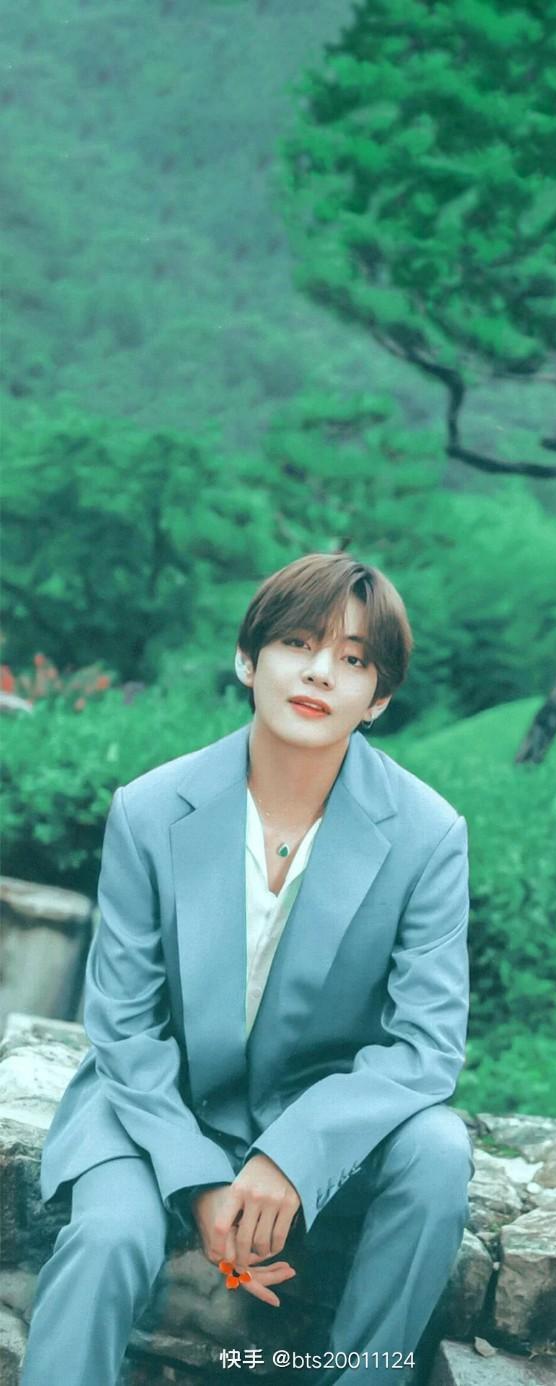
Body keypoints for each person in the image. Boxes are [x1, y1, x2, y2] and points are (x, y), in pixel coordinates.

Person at [20, 551, 475, 1386]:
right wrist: (199, 1181)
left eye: (353, 659)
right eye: (298, 643)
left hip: (319, 1109)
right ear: (247, 659)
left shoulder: (428, 835)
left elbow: (427, 1046)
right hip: (156, 1102)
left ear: (377, 699)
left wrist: (294, 1154)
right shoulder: (150, 810)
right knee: (109, 1235)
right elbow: (124, 1025)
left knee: (439, 1152)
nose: (319, 672)